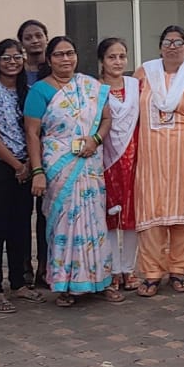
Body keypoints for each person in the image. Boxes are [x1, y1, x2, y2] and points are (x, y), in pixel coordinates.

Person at [25, 36, 118, 307]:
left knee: (94, 222)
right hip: (59, 166)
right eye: (59, 55)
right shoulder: (40, 91)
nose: (65, 59)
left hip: (89, 164)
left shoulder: (90, 86)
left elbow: (107, 118)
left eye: (70, 53)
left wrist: (96, 140)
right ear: (49, 59)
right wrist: (37, 171)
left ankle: (100, 281)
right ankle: (65, 284)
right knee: (64, 224)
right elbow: (32, 133)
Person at [132, 25, 184, 297]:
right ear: (160, 47)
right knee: (151, 212)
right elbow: (129, 112)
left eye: (179, 42)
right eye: (167, 42)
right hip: (150, 158)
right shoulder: (144, 73)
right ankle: (152, 274)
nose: (173, 47)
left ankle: (179, 270)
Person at [0, 39, 38, 314]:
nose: (12, 63)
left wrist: (29, 164)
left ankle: (18, 283)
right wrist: (17, 166)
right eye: (6, 58)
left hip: (24, 165)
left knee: (21, 226)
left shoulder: (28, 91)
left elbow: (35, 130)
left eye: (16, 57)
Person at [99, 37, 141, 292]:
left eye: (122, 56)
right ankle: (113, 269)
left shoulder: (135, 85)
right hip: (106, 160)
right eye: (111, 57)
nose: (117, 62)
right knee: (110, 216)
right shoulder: (95, 88)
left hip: (134, 158)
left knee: (132, 215)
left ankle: (129, 268)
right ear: (102, 61)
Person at [17, 19, 51, 286]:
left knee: (45, 214)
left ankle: (45, 266)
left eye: (38, 35)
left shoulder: (55, 71)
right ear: (22, 43)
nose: (34, 41)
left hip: (50, 151)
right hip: (18, 152)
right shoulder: (15, 72)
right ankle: (23, 266)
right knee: (20, 215)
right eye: (28, 37)